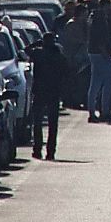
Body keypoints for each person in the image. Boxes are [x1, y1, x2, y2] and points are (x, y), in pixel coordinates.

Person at [28, 31, 69, 160]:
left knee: (37, 122)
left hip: (40, 91)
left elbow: (24, 51)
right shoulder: (59, 56)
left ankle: (37, 149)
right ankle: (51, 151)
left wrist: (37, 43)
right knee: (53, 124)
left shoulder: (38, 53)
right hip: (54, 92)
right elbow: (67, 72)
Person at [87, 0, 111, 123]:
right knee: (106, 82)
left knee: (96, 83)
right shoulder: (99, 18)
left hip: (94, 52)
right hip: (99, 53)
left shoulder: (94, 16)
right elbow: (99, 37)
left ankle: (94, 111)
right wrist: (105, 53)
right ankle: (104, 111)